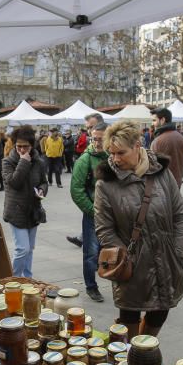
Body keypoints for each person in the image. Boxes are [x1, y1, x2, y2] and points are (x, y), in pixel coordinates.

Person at [95, 120, 183, 338]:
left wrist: (179, 251)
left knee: (160, 313)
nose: (116, 159)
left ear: (137, 146)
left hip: (166, 258)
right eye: (112, 153)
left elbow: (179, 214)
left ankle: (145, 350)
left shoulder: (162, 173)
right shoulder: (105, 184)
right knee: (129, 315)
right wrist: (127, 259)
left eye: (121, 153)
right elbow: (104, 230)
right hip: (132, 262)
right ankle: (130, 355)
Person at [150, 107, 183, 261]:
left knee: (167, 218)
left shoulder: (160, 140)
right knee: (171, 217)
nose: (153, 123)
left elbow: (153, 165)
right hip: (176, 181)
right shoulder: (180, 137)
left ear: (162, 120)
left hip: (162, 185)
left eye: (154, 120)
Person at [70, 122, 110, 303]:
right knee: (91, 253)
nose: (98, 142)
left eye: (102, 139)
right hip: (93, 214)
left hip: (113, 214)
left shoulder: (113, 156)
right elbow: (76, 190)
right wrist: (91, 211)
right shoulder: (84, 160)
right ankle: (91, 287)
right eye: (95, 139)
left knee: (112, 250)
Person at [1, 125, 49, 278]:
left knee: (30, 248)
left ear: (32, 145)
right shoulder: (7, 162)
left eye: (25, 146)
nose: (22, 149)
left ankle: (27, 278)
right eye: (19, 146)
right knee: (22, 248)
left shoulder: (39, 162)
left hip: (33, 211)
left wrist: (42, 190)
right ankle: (13, 279)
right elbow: (14, 183)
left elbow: (44, 181)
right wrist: (24, 162)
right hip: (16, 211)